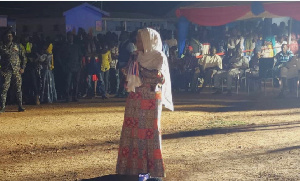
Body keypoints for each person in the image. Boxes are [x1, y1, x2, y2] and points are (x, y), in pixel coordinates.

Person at [116, 28, 174, 178]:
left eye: (140, 40)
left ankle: (152, 170)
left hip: (150, 100)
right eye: (137, 39)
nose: (137, 42)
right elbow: (129, 75)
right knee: (133, 131)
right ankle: (133, 167)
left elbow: (160, 79)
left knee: (149, 132)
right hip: (135, 99)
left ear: (149, 41)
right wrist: (127, 70)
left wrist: (139, 69)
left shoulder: (158, 57)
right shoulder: (136, 56)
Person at [0, 29, 26, 113]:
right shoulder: (1, 47)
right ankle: (2, 107)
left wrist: (22, 67)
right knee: (4, 89)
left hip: (16, 70)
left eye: (10, 35)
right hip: (5, 71)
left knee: (18, 89)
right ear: (4, 37)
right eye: (7, 35)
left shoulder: (17, 46)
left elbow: (24, 57)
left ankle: (20, 106)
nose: (9, 37)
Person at [61, 32, 83, 102]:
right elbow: (60, 57)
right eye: (69, 37)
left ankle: (74, 96)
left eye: (71, 37)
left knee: (76, 83)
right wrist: (63, 65)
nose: (71, 38)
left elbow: (81, 56)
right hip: (68, 68)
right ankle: (67, 97)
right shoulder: (65, 47)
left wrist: (80, 64)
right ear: (67, 38)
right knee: (68, 83)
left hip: (76, 67)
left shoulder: (76, 46)